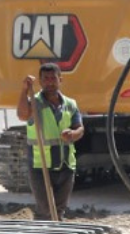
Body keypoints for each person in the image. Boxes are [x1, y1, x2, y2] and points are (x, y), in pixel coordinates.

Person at [16, 61, 84, 220]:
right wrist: (24, 90)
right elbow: (22, 115)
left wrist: (73, 134)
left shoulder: (70, 104)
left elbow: (80, 128)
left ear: (60, 80)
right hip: (41, 166)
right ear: (40, 81)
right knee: (45, 209)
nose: (49, 82)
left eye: (53, 78)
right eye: (45, 79)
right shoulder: (35, 102)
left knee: (59, 209)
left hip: (66, 164)